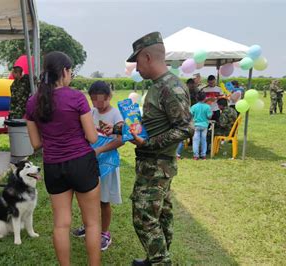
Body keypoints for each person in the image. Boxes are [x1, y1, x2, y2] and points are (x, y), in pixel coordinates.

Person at [105, 32, 193, 265]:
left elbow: (185, 129)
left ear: (147, 57)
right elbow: (152, 125)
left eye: (137, 61)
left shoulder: (170, 88)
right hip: (154, 164)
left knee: (144, 217)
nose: (136, 67)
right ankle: (155, 258)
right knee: (161, 214)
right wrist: (122, 128)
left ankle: (160, 262)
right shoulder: (158, 86)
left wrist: (148, 143)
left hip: (156, 164)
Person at [25, 51, 101, 266]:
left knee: (61, 224)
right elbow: (92, 137)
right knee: (93, 223)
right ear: (65, 71)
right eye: (71, 71)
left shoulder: (32, 102)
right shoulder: (76, 97)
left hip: (53, 167)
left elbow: (36, 144)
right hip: (81, 164)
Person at [71, 81, 124, 251]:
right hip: (91, 162)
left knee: (104, 200)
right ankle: (88, 226)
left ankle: (105, 233)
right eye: (93, 100)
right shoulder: (92, 112)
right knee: (88, 197)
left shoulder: (116, 115)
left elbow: (121, 140)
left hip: (107, 163)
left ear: (109, 97)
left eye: (101, 101)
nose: (97, 104)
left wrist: (100, 150)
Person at [190, 91, 212, 160]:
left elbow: (190, 115)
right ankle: (203, 155)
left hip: (196, 125)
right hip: (204, 125)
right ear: (205, 98)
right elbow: (209, 117)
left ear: (196, 98)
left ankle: (196, 156)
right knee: (203, 140)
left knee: (196, 141)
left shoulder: (194, 106)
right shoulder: (207, 107)